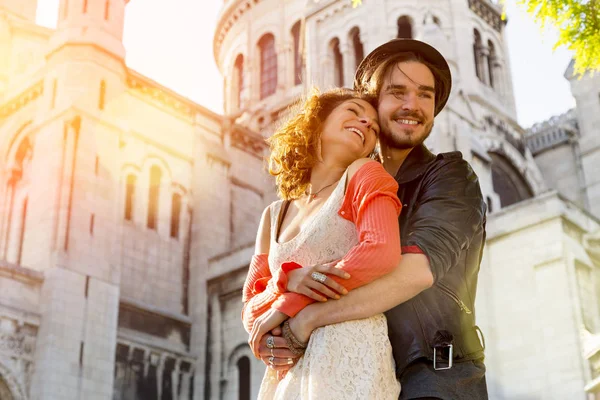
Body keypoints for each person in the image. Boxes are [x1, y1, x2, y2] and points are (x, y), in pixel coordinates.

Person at [255, 39, 489, 400]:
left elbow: (415, 273)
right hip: (349, 372)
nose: (413, 105)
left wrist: (305, 317)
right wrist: (287, 286)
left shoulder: (451, 176)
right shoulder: (339, 191)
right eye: (398, 92)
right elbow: (264, 289)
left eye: (425, 95)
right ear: (372, 102)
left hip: (433, 375)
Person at [242, 88, 403, 399]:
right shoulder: (274, 215)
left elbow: (381, 251)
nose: (366, 123)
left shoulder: (365, 174)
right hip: (289, 374)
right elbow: (250, 312)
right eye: (354, 111)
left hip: (350, 356)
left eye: (373, 125)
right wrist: (287, 280)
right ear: (318, 120)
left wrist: (292, 301)